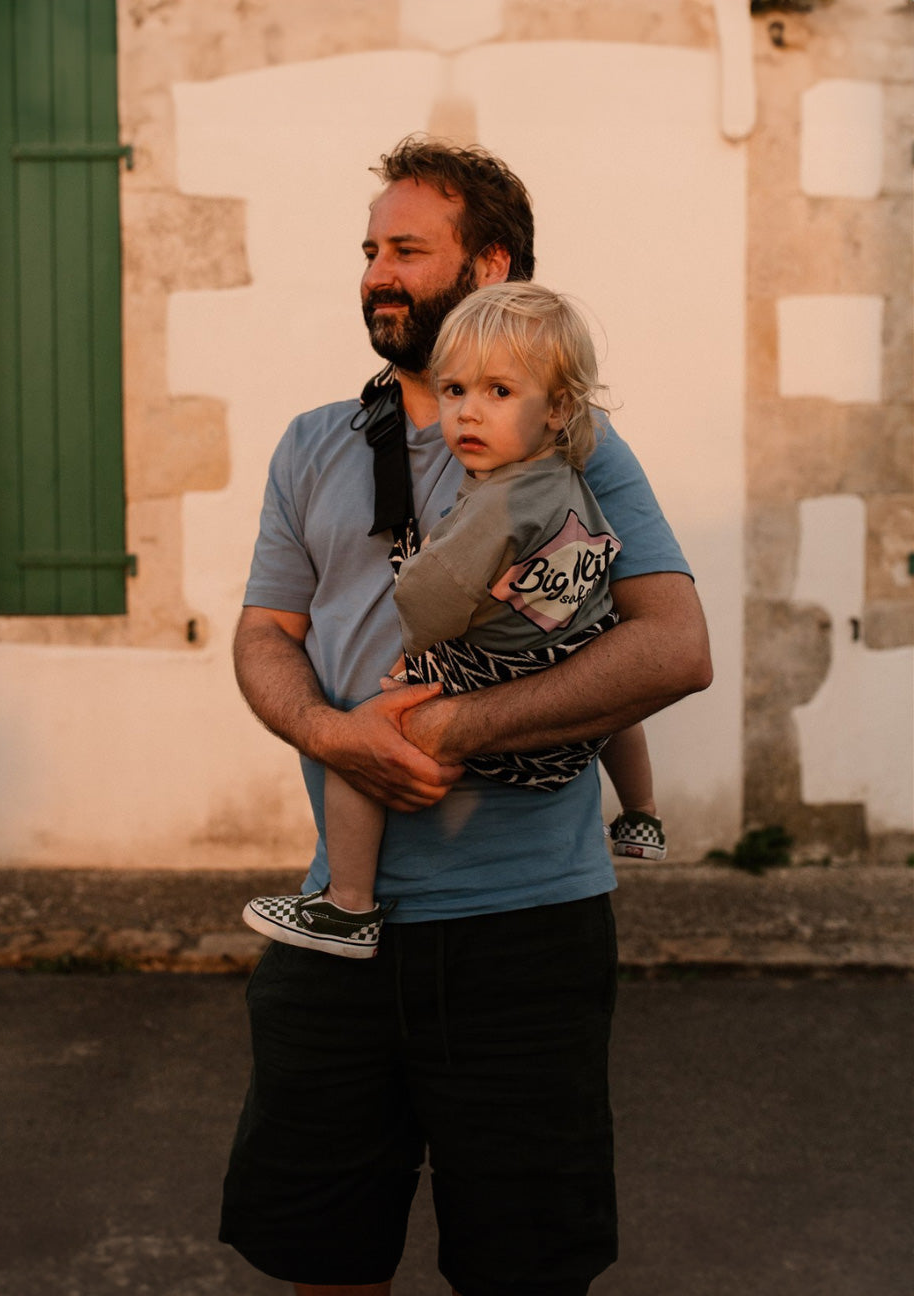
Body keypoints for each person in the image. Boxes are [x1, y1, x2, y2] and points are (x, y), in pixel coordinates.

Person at [220, 136, 711, 1296]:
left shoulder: (574, 447)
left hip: (524, 939)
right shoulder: (312, 445)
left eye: (407, 250)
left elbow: (674, 646)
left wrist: (453, 731)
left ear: (487, 265)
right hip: (342, 929)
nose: (377, 274)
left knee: (526, 1271)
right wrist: (334, 734)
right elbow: (262, 637)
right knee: (324, 1259)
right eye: (370, 252)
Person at [241, 281, 665, 958]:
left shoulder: (496, 504)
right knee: (617, 700)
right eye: (454, 391)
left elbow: (430, 599)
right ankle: (641, 814)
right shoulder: (568, 471)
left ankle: (349, 905)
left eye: (498, 393)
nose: (467, 414)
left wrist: (420, 581)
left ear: (557, 407)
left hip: (495, 679)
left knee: (363, 738)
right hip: (569, 655)